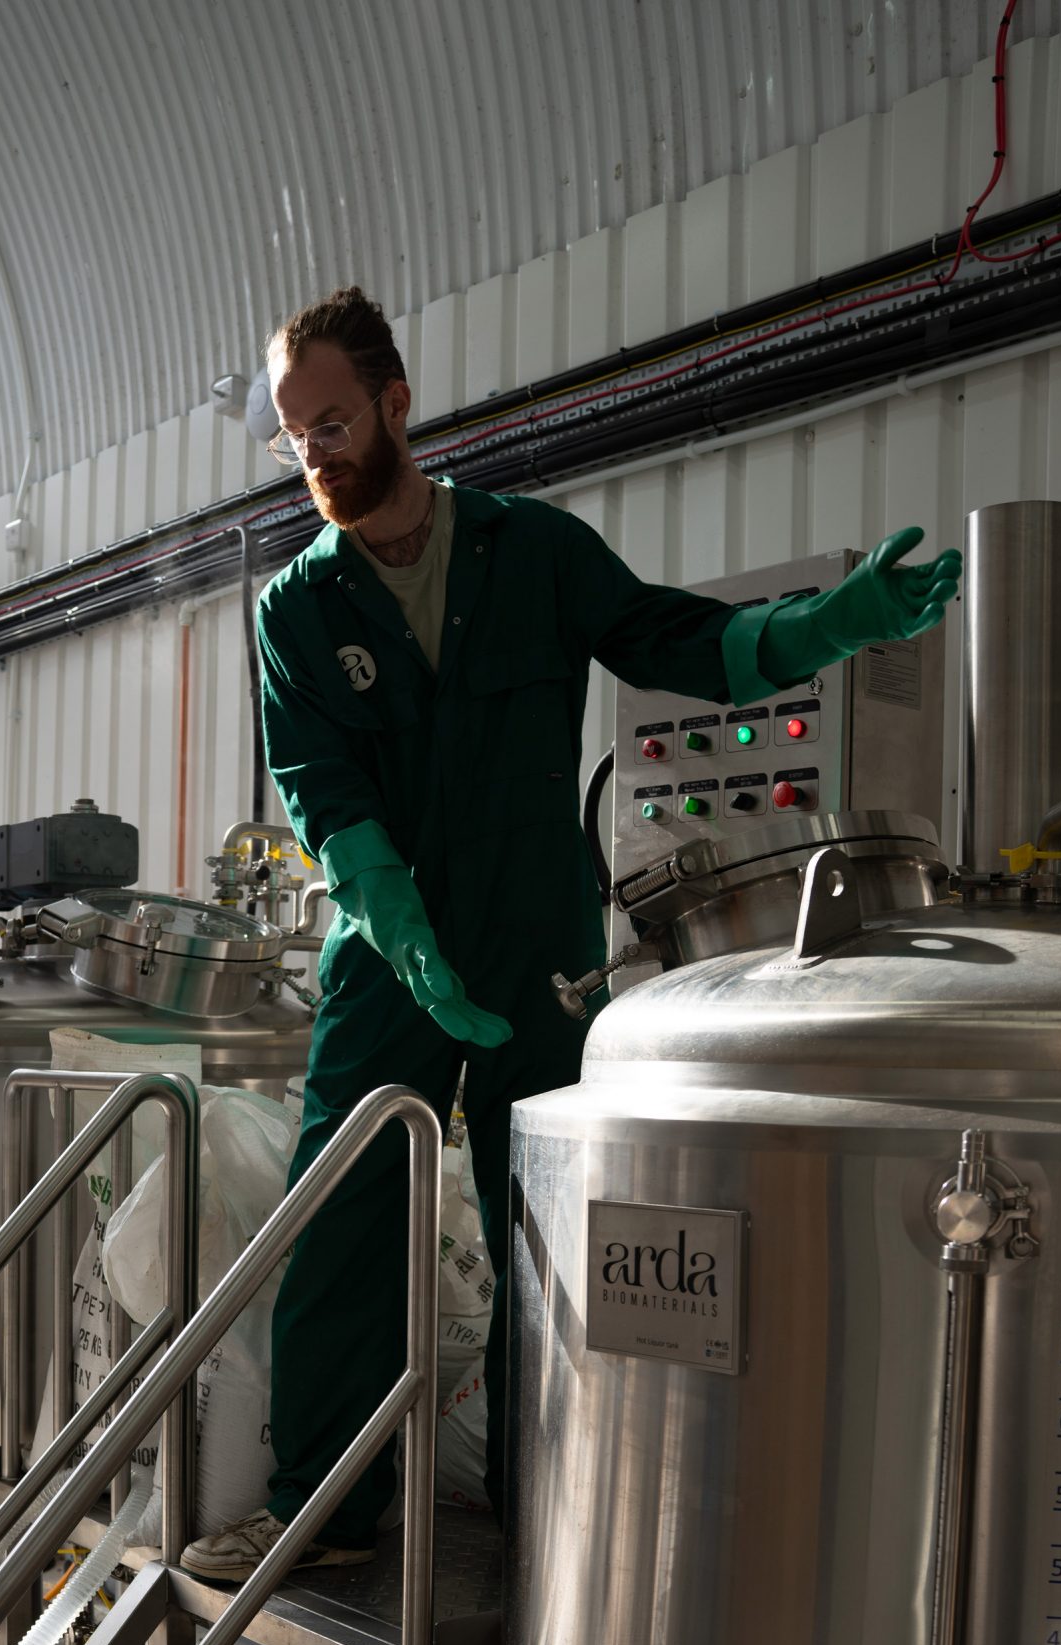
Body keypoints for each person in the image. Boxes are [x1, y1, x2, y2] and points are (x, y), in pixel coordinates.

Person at [182, 286, 960, 1579]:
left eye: (332, 422)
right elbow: (320, 788)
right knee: (345, 1209)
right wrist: (400, 930)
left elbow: (677, 642)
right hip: (385, 943)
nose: (313, 453)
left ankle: (540, 1503)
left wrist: (827, 627)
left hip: (537, 932)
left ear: (395, 403)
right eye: (292, 435)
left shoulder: (530, 550)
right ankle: (322, 1507)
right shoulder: (298, 608)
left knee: (541, 1216)